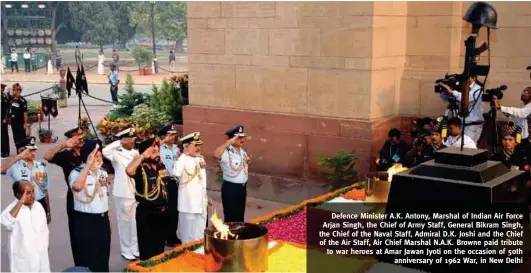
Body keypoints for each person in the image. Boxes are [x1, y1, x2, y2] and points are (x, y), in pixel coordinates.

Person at [43, 127, 85, 265]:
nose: (81, 140)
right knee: (77, 231)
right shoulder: (66, 155)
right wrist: (63, 145)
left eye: (81, 137)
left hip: (93, 196)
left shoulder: (89, 151)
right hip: (74, 196)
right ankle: (80, 263)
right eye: (77, 138)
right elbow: (47, 156)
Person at [126, 138, 171, 260]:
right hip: (147, 213)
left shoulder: (160, 166)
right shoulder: (140, 169)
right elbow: (129, 170)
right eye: (153, 152)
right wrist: (143, 155)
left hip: (162, 212)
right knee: (147, 250)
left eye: (157, 152)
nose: (157, 154)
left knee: (159, 249)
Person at [69, 140, 111, 272]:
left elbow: (104, 197)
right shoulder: (76, 173)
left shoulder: (102, 173)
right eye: (95, 156)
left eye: (100, 156)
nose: (99, 159)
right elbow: (77, 187)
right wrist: (88, 164)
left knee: (103, 253)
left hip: (102, 219)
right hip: (86, 221)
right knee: (88, 255)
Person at [102, 128, 140, 261]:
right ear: (124, 141)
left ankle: (135, 247)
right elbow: (105, 151)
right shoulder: (116, 154)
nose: (133, 142)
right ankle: (126, 249)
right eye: (129, 140)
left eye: (133, 139)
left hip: (135, 191)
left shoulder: (136, 153)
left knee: (135, 221)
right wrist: (119, 141)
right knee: (124, 221)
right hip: (122, 192)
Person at [1, 180, 50, 272]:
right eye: (27, 193)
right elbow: (6, 223)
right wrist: (20, 202)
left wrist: (45, 246)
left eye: (33, 191)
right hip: (23, 259)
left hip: (41, 256)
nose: (32, 195)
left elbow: (44, 230)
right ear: (18, 195)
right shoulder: (12, 209)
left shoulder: (38, 206)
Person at [1, 137, 52, 221]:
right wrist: (18, 157)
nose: (33, 153)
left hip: (40, 203)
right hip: (23, 205)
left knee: (41, 232)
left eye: (34, 150)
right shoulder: (14, 166)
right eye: (30, 150)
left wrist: (48, 211)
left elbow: (45, 191)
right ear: (21, 151)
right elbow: (1, 169)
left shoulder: (41, 167)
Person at [174, 132, 211, 244]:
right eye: (195, 145)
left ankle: (199, 251)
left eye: (199, 145)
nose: (198, 148)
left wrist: (206, 197)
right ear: (186, 146)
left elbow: (202, 182)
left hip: (200, 202)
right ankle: (188, 254)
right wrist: (184, 155)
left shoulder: (200, 159)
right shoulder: (181, 160)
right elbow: (176, 173)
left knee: (200, 231)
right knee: (188, 234)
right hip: (188, 203)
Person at [214, 126, 250, 223]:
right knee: (230, 217)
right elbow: (216, 155)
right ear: (232, 139)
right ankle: (230, 237)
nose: (242, 140)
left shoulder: (243, 152)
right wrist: (228, 142)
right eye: (239, 137)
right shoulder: (226, 152)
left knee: (240, 216)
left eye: (242, 137)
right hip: (231, 188)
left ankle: (238, 236)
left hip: (242, 188)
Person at [439, 76, 485, 144]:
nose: (464, 80)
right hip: (464, 123)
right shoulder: (462, 87)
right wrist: (445, 91)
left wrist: (452, 91)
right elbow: (445, 98)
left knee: (468, 146)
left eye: (467, 77)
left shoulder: (478, 88)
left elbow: (467, 98)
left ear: (474, 78)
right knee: (460, 145)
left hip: (472, 125)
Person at [158, 124, 181, 246]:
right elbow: (152, 148)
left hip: (176, 181)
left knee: (175, 210)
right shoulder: (160, 148)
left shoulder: (176, 148)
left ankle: (172, 235)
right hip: (165, 181)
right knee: (166, 209)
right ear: (163, 136)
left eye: (174, 134)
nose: (173, 137)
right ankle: (166, 236)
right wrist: (163, 141)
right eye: (170, 134)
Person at [2, 83, 12, 158]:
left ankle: (5, 152)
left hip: (3, 119)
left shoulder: (4, 97)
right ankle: (2, 150)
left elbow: (7, 108)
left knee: (4, 135)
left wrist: (6, 118)